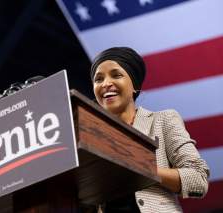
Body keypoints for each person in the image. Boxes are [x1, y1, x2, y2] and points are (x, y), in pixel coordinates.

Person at [90, 47, 210, 213]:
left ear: (134, 85)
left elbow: (198, 179)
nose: (105, 84)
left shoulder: (162, 120)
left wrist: (141, 167)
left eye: (116, 75)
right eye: (98, 79)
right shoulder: (91, 136)